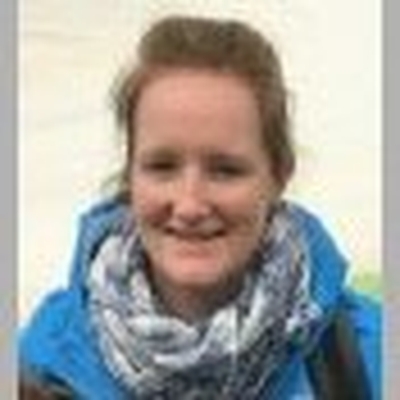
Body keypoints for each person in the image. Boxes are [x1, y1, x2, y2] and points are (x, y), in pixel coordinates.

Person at [19, 15, 381, 400]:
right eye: (162, 167)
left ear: (278, 176)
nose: (190, 205)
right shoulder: (40, 364)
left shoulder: (367, 356)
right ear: (130, 175)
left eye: (225, 170)